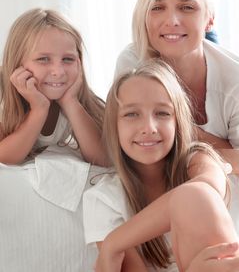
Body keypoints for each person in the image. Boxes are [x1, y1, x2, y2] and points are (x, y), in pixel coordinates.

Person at [83, 60, 238, 272]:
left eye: (162, 113)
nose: (149, 128)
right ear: (114, 125)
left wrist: (115, 242)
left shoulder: (198, 160)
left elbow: (202, 191)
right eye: (131, 114)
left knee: (195, 196)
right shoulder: (104, 199)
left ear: (178, 121)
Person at [115, 0, 239, 155]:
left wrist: (176, 127)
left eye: (187, 7)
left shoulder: (234, 81)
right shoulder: (133, 62)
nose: (172, 20)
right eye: (157, 7)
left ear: (210, 19)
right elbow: (127, 142)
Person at [0, 8, 107, 166]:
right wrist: (39, 109)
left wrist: (70, 102)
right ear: (17, 63)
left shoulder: (74, 94)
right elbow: (5, 159)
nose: (58, 72)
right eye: (43, 59)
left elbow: (102, 160)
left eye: (68, 59)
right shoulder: (3, 95)